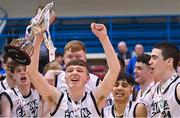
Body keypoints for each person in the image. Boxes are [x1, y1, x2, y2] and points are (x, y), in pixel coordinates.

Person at [26, 23, 120, 117]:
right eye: (70, 70)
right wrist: (38, 39)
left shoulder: (95, 99)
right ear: (65, 77)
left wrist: (104, 38)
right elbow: (31, 71)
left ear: (87, 78)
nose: (74, 73)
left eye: (79, 70)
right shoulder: (56, 98)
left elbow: (114, 70)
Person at [148, 42, 180, 117]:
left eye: (154, 58)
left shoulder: (177, 87)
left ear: (169, 61)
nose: (150, 62)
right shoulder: (153, 90)